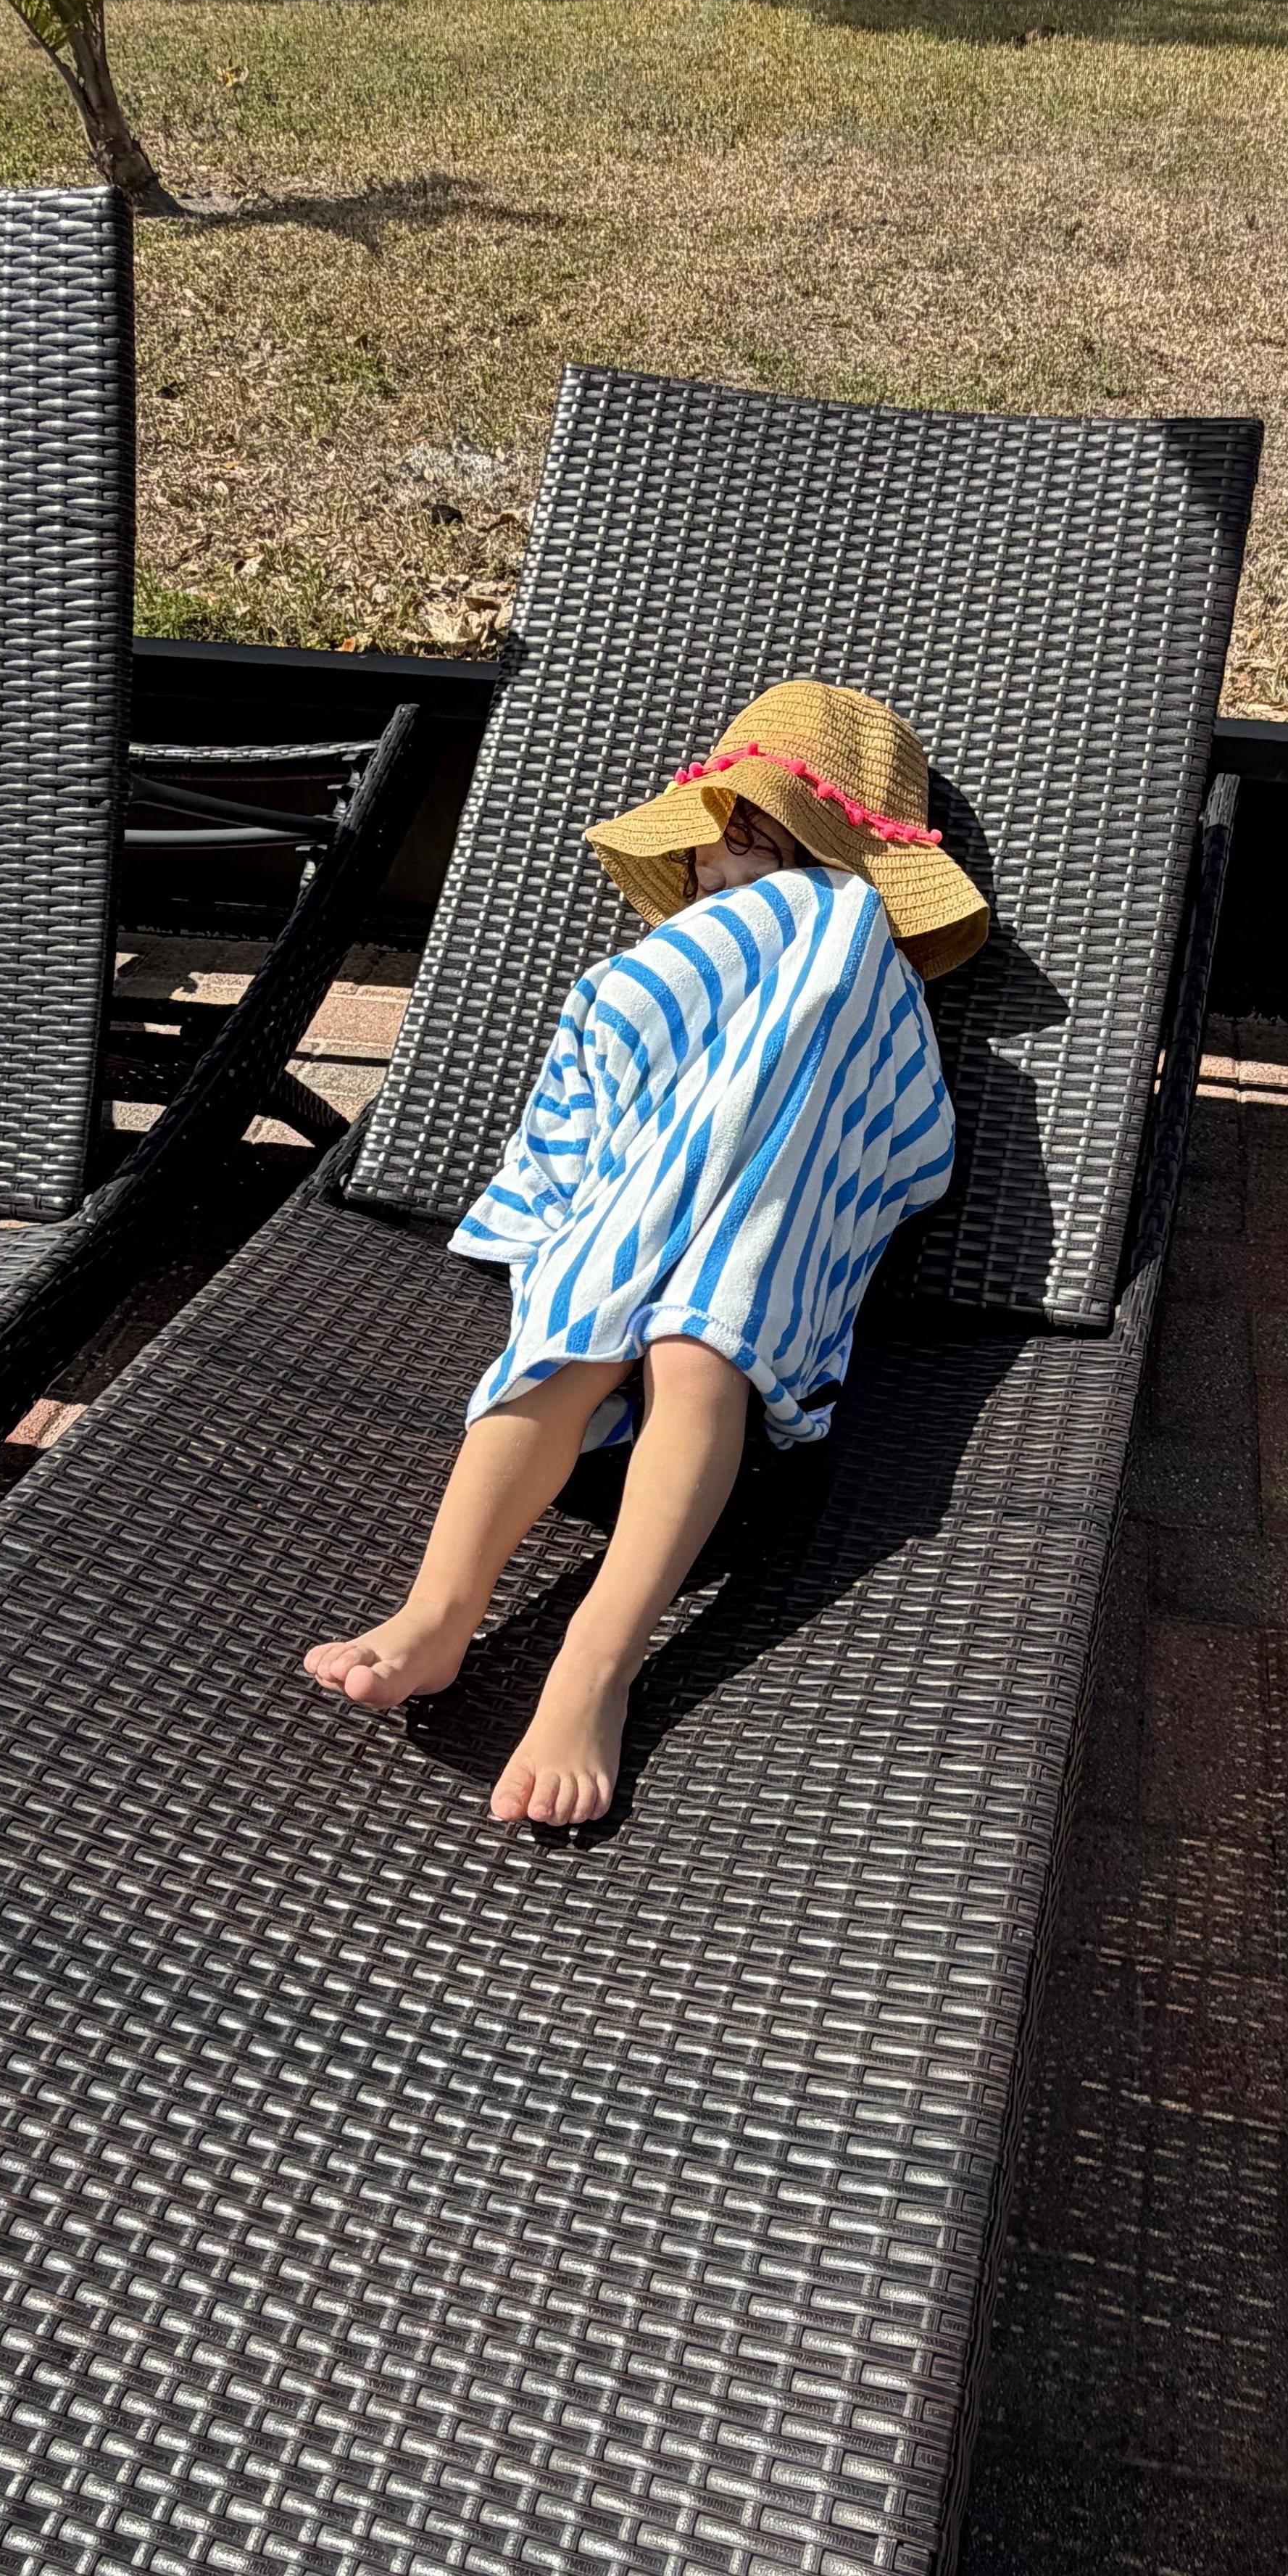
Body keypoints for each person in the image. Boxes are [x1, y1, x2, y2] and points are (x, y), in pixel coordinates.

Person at [304, 679, 992, 1827]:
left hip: (770, 1212)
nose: (717, 891)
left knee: (689, 1350)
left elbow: (868, 1111)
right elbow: (635, 1027)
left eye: (742, 861)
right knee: (576, 1349)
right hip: (658, 1187)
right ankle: (437, 1610)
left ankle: (594, 1669)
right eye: (705, 876)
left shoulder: (847, 925)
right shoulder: (723, 943)